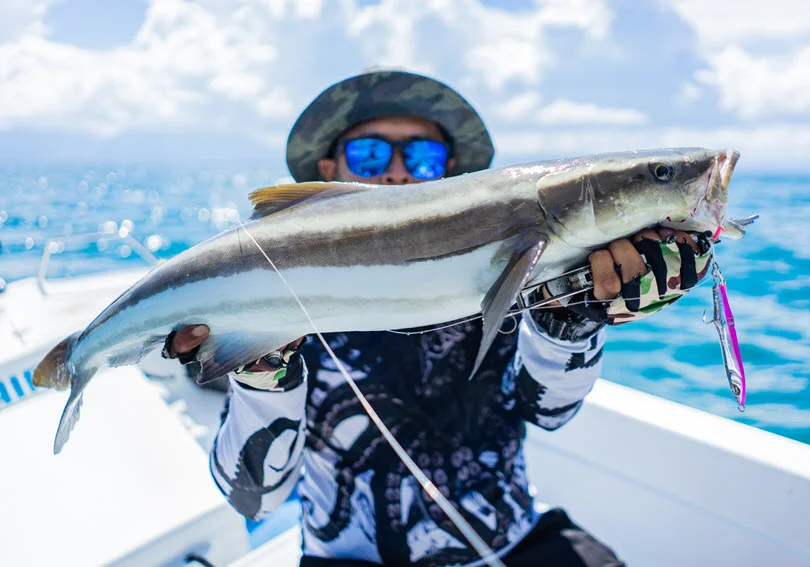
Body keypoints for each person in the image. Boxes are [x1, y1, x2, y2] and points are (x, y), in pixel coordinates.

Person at [165, 70, 711, 567]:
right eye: (372, 156)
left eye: (423, 159)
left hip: (516, 544)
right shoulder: (275, 301)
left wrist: (571, 318)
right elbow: (252, 498)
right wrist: (264, 375)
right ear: (329, 171)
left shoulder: (513, 274)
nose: (400, 175)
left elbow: (548, 412)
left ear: (451, 174)